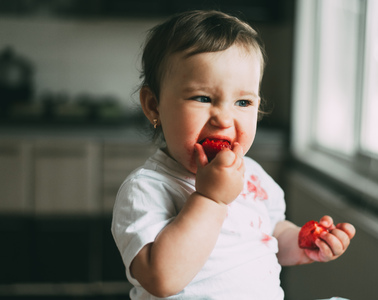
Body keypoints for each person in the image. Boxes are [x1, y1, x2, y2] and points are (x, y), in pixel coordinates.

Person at [111, 10, 356, 300]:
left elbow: (272, 235)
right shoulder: (146, 189)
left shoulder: (251, 175)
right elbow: (161, 279)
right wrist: (210, 199)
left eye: (243, 101)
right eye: (203, 98)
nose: (224, 119)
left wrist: (305, 243)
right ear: (154, 106)